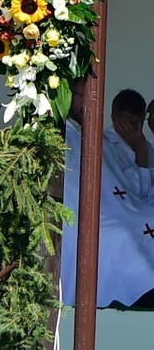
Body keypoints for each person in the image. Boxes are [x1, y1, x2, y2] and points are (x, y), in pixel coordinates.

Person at [61, 87, 154, 308]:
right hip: (93, 213)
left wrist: (141, 150)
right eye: (81, 95)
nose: (87, 101)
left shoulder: (99, 138)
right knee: (123, 235)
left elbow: (129, 188)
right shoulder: (73, 137)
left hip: (122, 207)